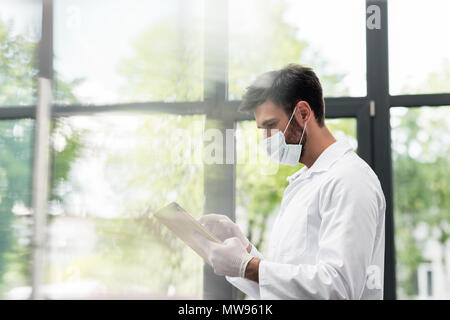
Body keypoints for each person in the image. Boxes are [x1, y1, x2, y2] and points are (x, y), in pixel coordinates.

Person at [195, 64, 386, 299]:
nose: (266, 140)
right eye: (261, 130)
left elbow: (338, 288)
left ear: (303, 113)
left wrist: (248, 265)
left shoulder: (349, 179)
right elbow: (285, 286)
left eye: (271, 126)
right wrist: (243, 249)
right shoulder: (305, 181)